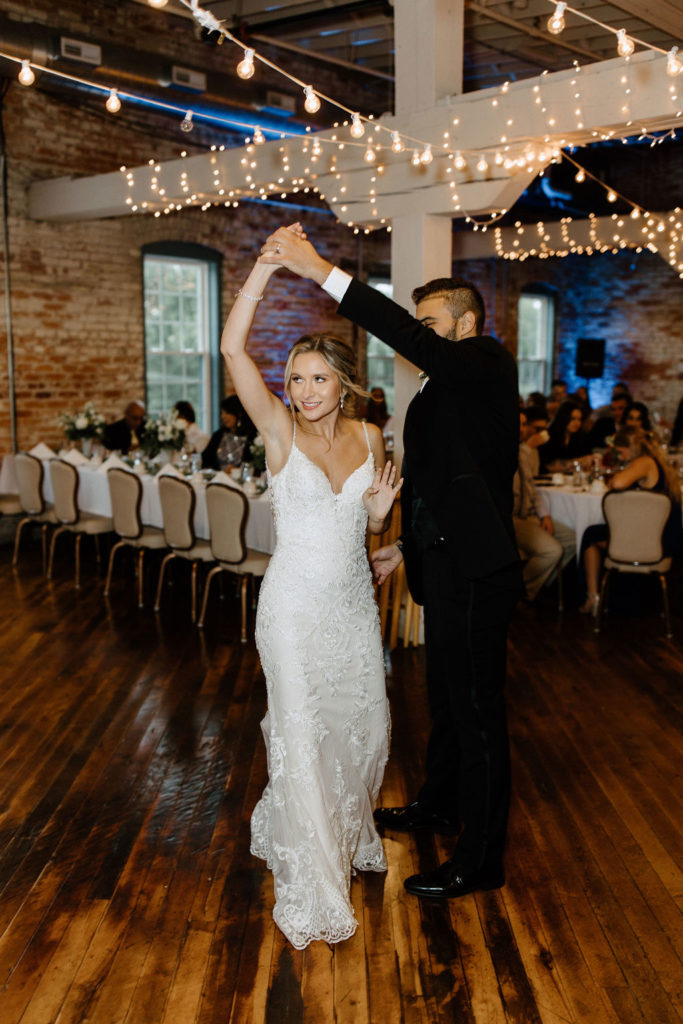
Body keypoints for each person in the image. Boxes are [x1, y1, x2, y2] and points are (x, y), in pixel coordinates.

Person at [260, 224, 522, 902]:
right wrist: (401, 545)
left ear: (464, 324)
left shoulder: (486, 361)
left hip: (477, 571)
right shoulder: (444, 390)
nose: (422, 335)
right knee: (443, 697)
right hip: (442, 562)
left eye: (432, 323)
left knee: (477, 710)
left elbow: (405, 338)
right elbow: (447, 484)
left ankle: (481, 856)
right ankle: (438, 800)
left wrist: (321, 269)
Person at [221, 230, 402, 949]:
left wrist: (379, 529)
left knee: (363, 730)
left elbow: (360, 532)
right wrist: (263, 272)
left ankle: (342, 830)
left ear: (345, 384)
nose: (301, 391)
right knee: (300, 732)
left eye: (315, 378)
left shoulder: (371, 439)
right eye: (294, 379)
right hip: (291, 610)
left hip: (353, 607)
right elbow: (235, 353)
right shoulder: (276, 432)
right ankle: (315, 879)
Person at [579, 426, 682, 614]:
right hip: (663, 537)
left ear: (631, 447)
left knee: (590, 533)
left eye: (619, 450)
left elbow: (618, 483)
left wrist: (613, 479)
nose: (618, 455)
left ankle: (593, 597)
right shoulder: (657, 462)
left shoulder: (644, 461)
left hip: (653, 540)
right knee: (597, 532)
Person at [514, 410, 576, 601]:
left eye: (524, 424)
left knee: (573, 539)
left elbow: (532, 486)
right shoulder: (503, 451)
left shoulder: (524, 451)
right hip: (511, 517)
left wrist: (545, 515)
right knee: (552, 550)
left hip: (529, 514)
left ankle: (540, 585)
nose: (522, 429)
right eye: (519, 424)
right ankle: (519, 592)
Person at [202, 394, 256, 470]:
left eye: (227, 413)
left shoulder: (252, 437)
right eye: (222, 413)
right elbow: (204, 460)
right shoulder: (219, 435)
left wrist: (236, 470)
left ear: (238, 414)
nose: (223, 416)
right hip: (218, 479)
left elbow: (254, 465)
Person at [539, 399, 591, 471]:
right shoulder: (550, 436)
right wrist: (580, 460)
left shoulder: (579, 437)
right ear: (564, 418)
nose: (577, 423)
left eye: (579, 419)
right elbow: (548, 465)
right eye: (573, 419)